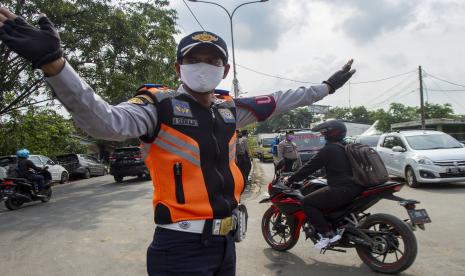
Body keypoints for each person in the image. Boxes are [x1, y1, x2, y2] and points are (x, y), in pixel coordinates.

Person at [0, 8, 356, 275]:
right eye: (194, 60)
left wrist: (326, 87)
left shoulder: (230, 110)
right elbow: (103, 122)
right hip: (179, 247)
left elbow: (281, 98)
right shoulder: (157, 106)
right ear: (178, 68)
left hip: (226, 243)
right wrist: (56, 65)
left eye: (213, 60)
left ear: (225, 70)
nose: (203, 65)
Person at [286, 120, 365, 250]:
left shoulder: (329, 149)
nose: (323, 136)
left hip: (341, 189)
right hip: (357, 187)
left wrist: (290, 179)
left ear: (331, 134)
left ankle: (327, 234)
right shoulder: (347, 146)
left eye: (325, 133)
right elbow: (342, 168)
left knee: (306, 202)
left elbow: (309, 167)